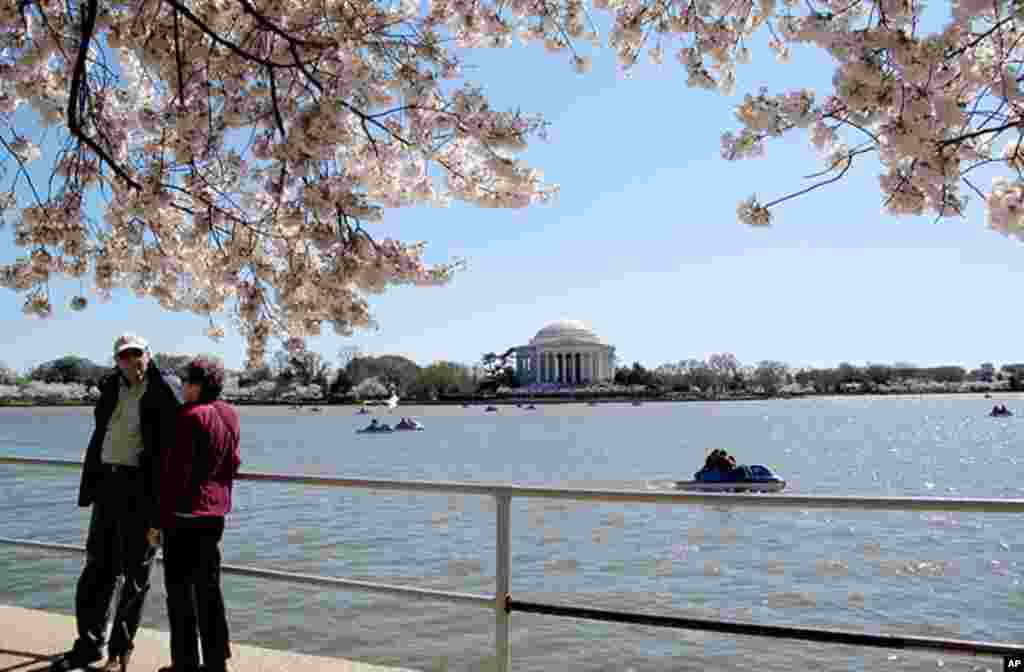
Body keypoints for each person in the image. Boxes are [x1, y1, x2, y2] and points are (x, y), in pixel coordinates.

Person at [51, 334, 182, 672]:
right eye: (124, 356)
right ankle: (89, 646)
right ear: (116, 360)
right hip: (107, 485)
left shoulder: (165, 388)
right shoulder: (110, 386)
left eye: (137, 353)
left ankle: (120, 652)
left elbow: (174, 447)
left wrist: (162, 506)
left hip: (141, 488)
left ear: (148, 355)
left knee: (135, 576)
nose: (131, 360)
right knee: (97, 569)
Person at [156, 357, 240, 672]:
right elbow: (234, 460)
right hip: (215, 512)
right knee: (209, 591)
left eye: (188, 382)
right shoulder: (230, 415)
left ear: (199, 385)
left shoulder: (188, 417)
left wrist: (157, 520)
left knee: (179, 594)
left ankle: (185, 664)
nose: (184, 387)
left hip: (183, 514)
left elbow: (173, 474)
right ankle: (217, 663)